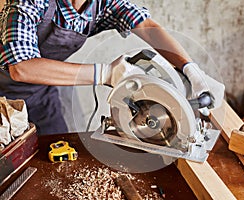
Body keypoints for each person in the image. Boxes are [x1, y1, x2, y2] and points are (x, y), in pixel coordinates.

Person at [0, 0, 224, 134]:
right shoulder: (28, 2)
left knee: (54, 150)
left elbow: (145, 25)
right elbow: (21, 67)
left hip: (42, 91)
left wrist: (190, 69)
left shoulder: (99, 3)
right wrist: (105, 73)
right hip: (3, 95)